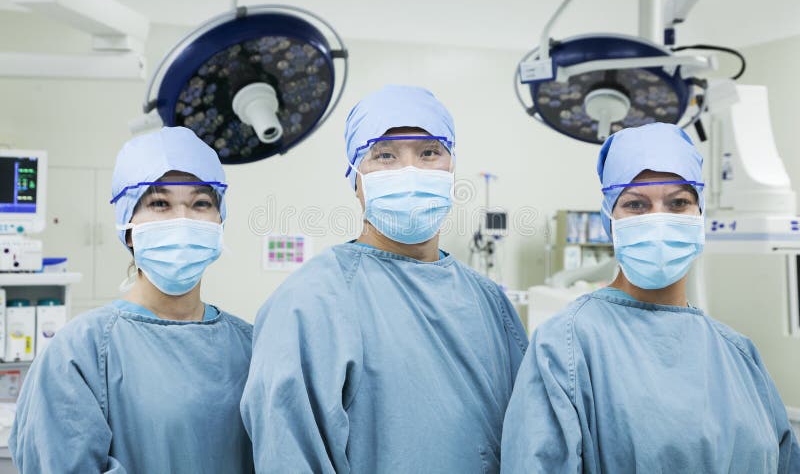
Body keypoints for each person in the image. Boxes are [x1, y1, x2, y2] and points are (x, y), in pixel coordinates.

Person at [241, 85, 528, 473]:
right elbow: (288, 455)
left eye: (429, 153)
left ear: (451, 168)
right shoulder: (310, 302)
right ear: (355, 179)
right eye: (385, 156)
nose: (410, 171)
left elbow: (524, 441)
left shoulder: (490, 303)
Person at [501, 122, 800, 473]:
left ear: (699, 214)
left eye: (678, 203)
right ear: (609, 220)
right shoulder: (565, 348)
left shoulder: (739, 354)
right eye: (636, 205)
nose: (659, 220)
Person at [10, 127, 254, 473]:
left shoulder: (253, 346)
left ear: (219, 220)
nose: (182, 220)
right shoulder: (79, 353)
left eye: (201, 203)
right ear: (127, 225)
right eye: (159, 204)